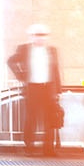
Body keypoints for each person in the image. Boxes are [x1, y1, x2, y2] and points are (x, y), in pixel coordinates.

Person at [6, 24, 63, 156]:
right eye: (37, 35)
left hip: (48, 88)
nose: (40, 38)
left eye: (43, 35)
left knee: (49, 120)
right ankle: (29, 147)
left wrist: (58, 91)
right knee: (31, 119)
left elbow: (55, 71)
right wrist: (21, 75)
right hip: (32, 88)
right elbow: (11, 61)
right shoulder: (24, 49)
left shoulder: (51, 50)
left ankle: (48, 150)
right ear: (31, 36)